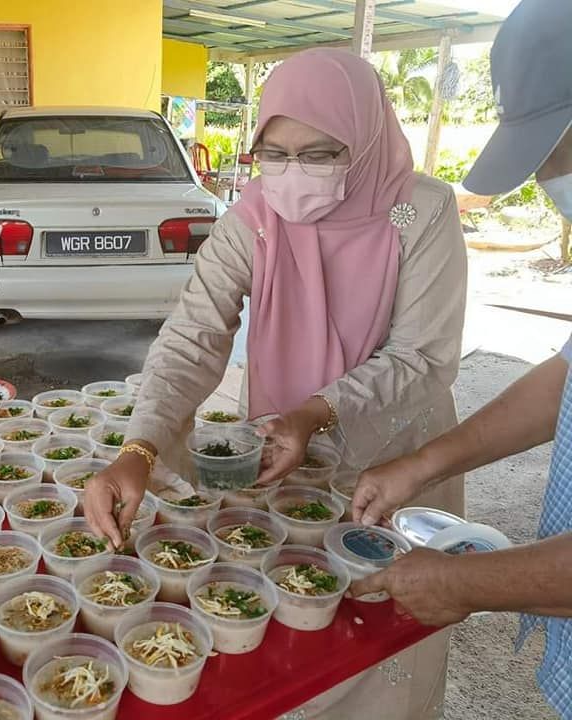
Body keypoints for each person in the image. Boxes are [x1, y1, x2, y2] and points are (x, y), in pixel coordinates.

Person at [86, 48, 468, 719]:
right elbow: (193, 335)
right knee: (291, 613)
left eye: (320, 153)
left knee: (384, 631)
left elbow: (422, 357)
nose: (294, 174)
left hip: (399, 454)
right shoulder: (256, 215)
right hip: (284, 451)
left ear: (365, 138)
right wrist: (137, 450)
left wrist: (318, 411)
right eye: (276, 152)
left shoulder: (422, 211)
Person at [349, 1, 572, 716]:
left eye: (559, 152)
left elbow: (420, 351)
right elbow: (567, 380)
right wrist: (423, 465)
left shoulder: (423, 208)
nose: (549, 181)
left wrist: (464, 583)